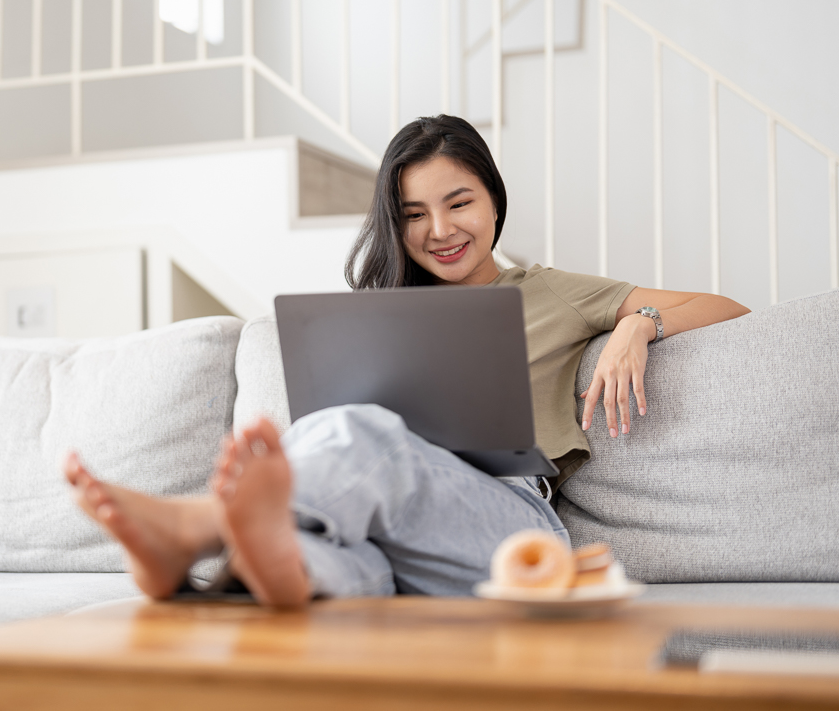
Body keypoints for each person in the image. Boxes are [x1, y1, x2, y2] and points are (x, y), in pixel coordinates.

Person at [64, 115, 750, 607]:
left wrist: (640, 321)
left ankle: (197, 527)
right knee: (351, 559)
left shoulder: (546, 291)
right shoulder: (374, 315)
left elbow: (726, 306)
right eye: (414, 213)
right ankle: (271, 571)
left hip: (513, 530)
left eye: (459, 202)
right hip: (393, 540)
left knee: (363, 432)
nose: (441, 230)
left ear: (493, 200)